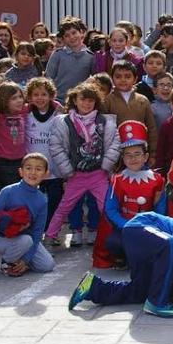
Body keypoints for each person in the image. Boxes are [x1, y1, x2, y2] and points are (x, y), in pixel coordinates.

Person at [46, 82, 121, 245]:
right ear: (74, 100)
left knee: (107, 208)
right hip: (76, 175)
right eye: (83, 100)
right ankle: (49, 237)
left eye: (90, 101)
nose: (86, 104)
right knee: (63, 208)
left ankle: (119, 238)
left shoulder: (105, 121)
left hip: (98, 174)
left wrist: (106, 166)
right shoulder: (63, 122)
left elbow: (115, 143)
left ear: (96, 102)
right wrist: (67, 170)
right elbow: (56, 146)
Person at [93, 122, 167, 269]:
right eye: (128, 155)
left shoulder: (157, 180)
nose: (133, 159)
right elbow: (110, 209)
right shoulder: (117, 180)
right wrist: (126, 226)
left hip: (148, 226)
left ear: (145, 157)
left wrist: (149, 225)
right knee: (113, 242)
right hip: (125, 227)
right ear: (123, 158)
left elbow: (161, 209)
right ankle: (122, 257)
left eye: (137, 154)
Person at [0, 153, 56, 276]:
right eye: (28, 168)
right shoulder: (8, 191)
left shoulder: (42, 200)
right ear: (21, 172)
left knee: (47, 265)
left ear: (46, 174)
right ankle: (7, 262)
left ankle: (19, 261)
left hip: (24, 238)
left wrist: (26, 260)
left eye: (38, 169)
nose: (33, 172)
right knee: (26, 241)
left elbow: (37, 233)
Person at [101, 60, 158, 163]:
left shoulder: (143, 100)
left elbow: (151, 127)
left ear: (135, 79)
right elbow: (103, 128)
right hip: (115, 151)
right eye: (118, 77)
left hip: (139, 149)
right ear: (112, 79)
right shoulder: (107, 100)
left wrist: (152, 153)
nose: (123, 80)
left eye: (127, 77)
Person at [45, 16, 94, 101]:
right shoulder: (58, 55)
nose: (71, 37)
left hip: (80, 101)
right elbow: (48, 78)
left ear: (81, 32)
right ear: (63, 39)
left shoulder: (90, 56)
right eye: (67, 35)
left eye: (74, 33)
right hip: (59, 100)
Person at [0, 82, 30, 193]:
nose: (19, 100)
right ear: (4, 101)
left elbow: (42, 102)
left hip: (21, 160)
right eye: (14, 98)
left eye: (20, 97)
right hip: (3, 161)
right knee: (9, 190)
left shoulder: (24, 111)